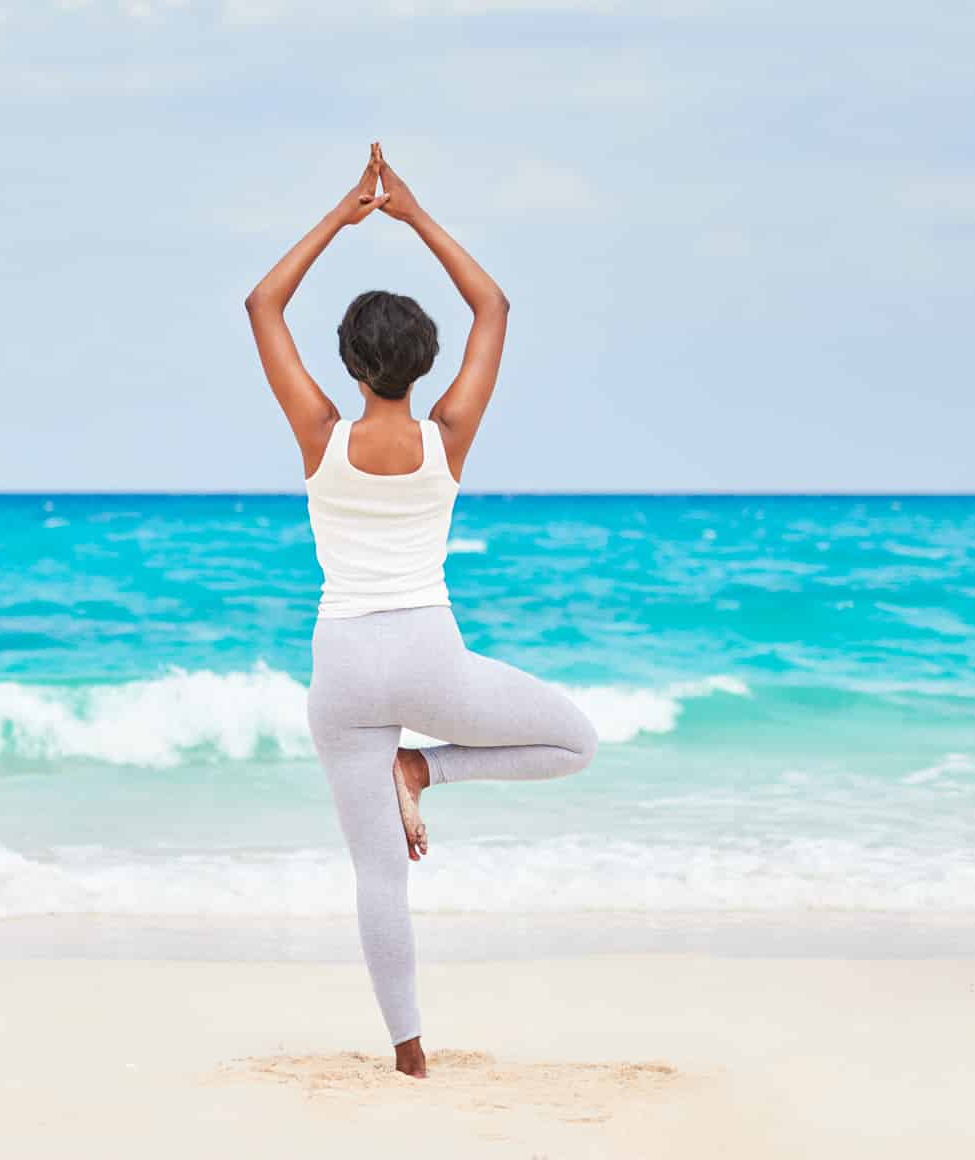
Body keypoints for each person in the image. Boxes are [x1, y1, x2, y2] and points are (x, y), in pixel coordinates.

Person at [243, 142, 599, 1078]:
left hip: (342, 671)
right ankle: (427, 770)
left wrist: (342, 212)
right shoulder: (449, 436)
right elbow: (495, 306)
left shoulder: (321, 436)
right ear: (424, 362)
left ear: (352, 366)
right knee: (576, 743)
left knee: (377, 876)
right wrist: (412, 213)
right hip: (433, 662)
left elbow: (261, 304)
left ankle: (409, 1059)